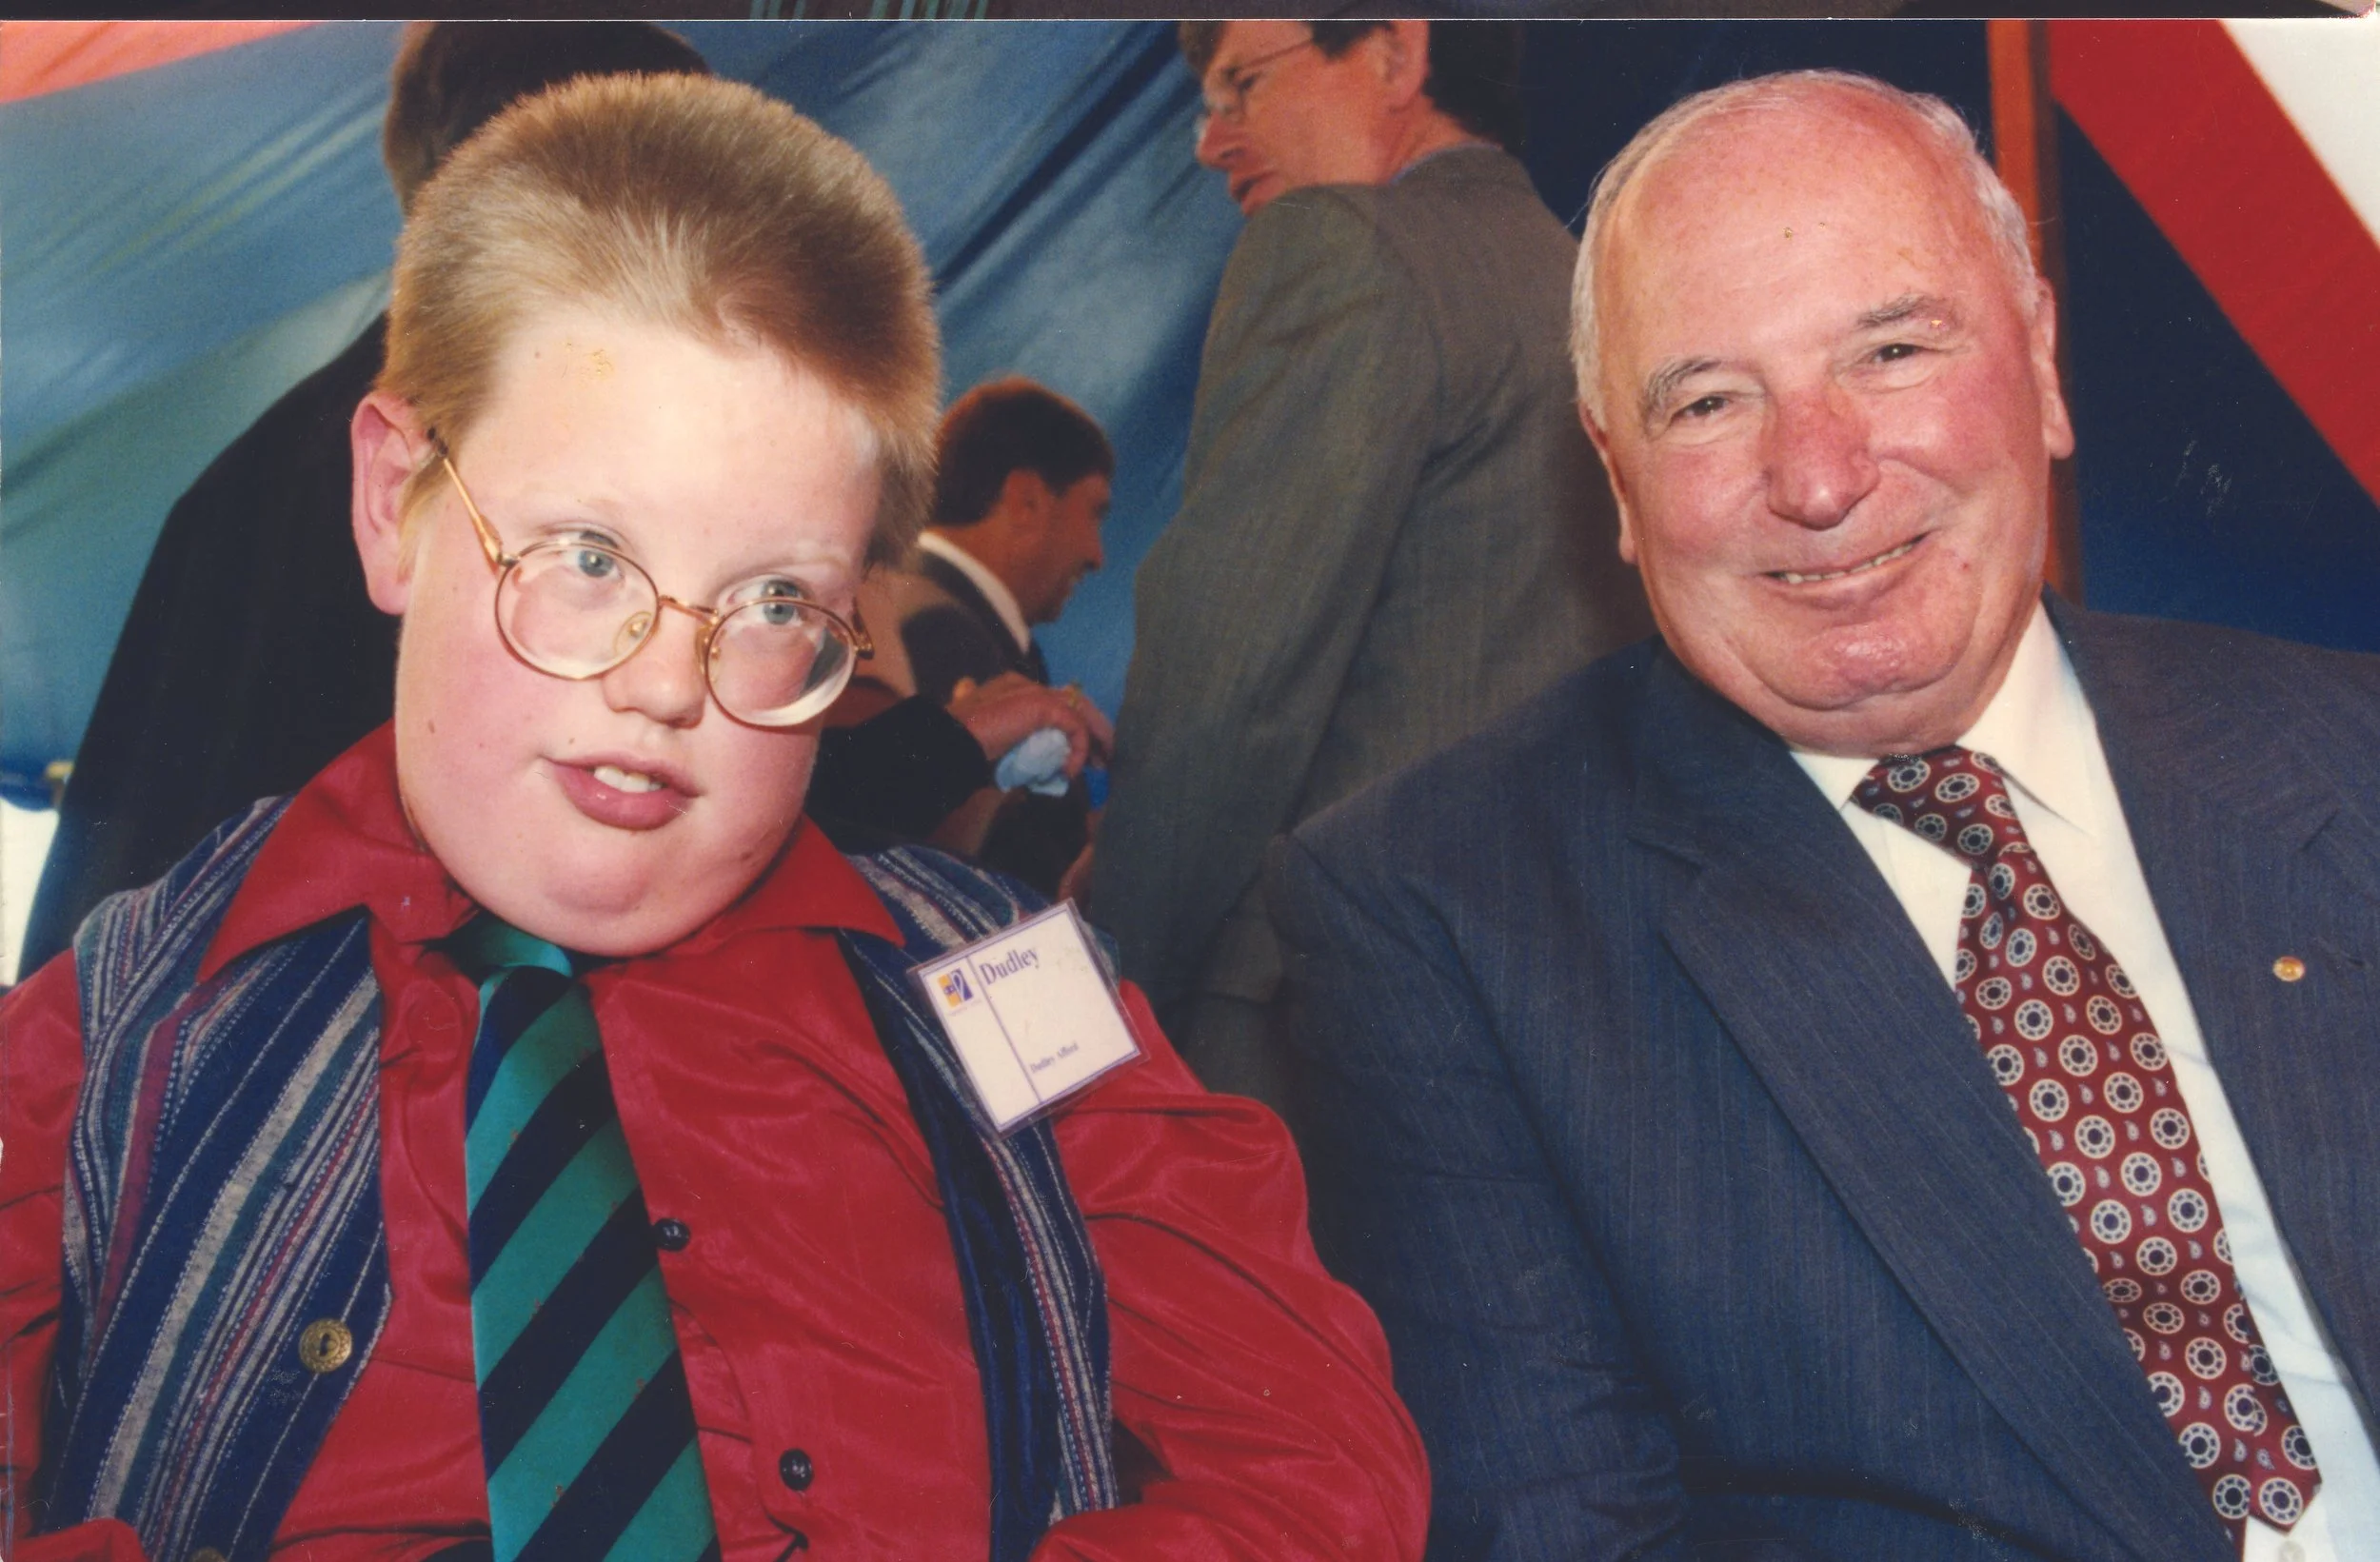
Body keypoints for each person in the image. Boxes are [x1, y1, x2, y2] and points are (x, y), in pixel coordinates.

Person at [0, 74, 1426, 1562]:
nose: (666, 686)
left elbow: (1318, 1468)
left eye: (771, 606)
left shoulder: (1007, 984)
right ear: (393, 503)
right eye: (591, 557)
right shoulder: (117, 1023)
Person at [1268, 69, 2380, 1560]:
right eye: (1712, 400)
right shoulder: (1444, 915)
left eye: (1895, 349)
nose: (1820, 475)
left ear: (2042, 366)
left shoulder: (2349, 750)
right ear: (1614, 475)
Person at [20, 21, 1101, 977]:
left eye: (774, 600)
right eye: (589, 556)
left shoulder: (252, 469)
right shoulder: (412, 461)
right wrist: (947, 749)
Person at [1088, 20, 1651, 1111]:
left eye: (1240, 86)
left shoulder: (1337, 248)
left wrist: (1112, 996)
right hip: (1553, 1012)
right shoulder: (1588, 291)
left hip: (1316, 1032)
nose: (1213, 143)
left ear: (1396, 54)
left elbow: (1229, 686)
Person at [900, 377, 1113, 706]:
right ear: (1024, 501)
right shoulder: (943, 633)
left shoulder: (903, 600)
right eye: (1094, 514)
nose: (1097, 557)